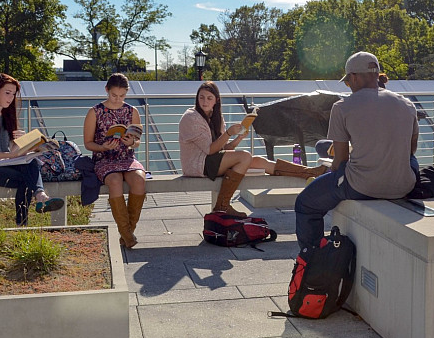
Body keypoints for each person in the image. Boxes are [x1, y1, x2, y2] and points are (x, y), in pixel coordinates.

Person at [295, 51, 419, 249]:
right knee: (411, 162)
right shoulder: (406, 104)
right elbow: (410, 151)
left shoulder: (342, 106)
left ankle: (311, 259)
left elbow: (340, 160)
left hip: (362, 186)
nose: (348, 85)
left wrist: (331, 174)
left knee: (305, 203)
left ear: (354, 76)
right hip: (403, 185)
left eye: (347, 81)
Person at [179, 81, 327, 218]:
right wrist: (228, 133)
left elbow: (224, 148)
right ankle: (222, 206)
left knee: (261, 162)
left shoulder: (215, 117)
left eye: (209, 98)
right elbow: (210, 150)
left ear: (216, 100)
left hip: (213, 161)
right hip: (198, 165)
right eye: (202, 97)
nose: (204, 101)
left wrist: (238, 138)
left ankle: (309, 172)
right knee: (245, 157)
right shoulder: (191, 118)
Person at [0, 73, 65, 226]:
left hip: (4, 162)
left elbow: (12, 149)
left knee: (32, 162)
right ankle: (23, 224)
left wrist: (24, 142)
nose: (11, 98)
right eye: (7, 93)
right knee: (24, 178)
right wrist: (12, 155)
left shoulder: (8, 114)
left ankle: (41, 196)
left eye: (13, 94)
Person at [83, 73, 147, 248]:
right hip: (104, 159)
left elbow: (137, 141)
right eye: (114, 95)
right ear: (106, 90)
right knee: (115, 180)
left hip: (127, 157)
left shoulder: (132, 111)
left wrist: (132, 142)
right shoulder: (94, 112)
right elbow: (88, 143)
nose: (118, 100)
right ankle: (127, 234)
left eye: (122, 96)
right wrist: (103, 147)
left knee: (140, 180)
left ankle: (127, 233)